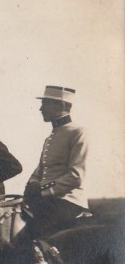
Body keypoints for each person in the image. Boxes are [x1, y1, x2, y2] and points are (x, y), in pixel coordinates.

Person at [22, 86, 89, 238]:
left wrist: (42, 190)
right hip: (47, 201)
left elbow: (76, 176)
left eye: (45, 103)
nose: (40, 109)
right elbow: (40, 171)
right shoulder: (50, 138)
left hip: (66, 202)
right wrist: (30, 186)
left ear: (62, 105)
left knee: (31, 236)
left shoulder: (78, 132)